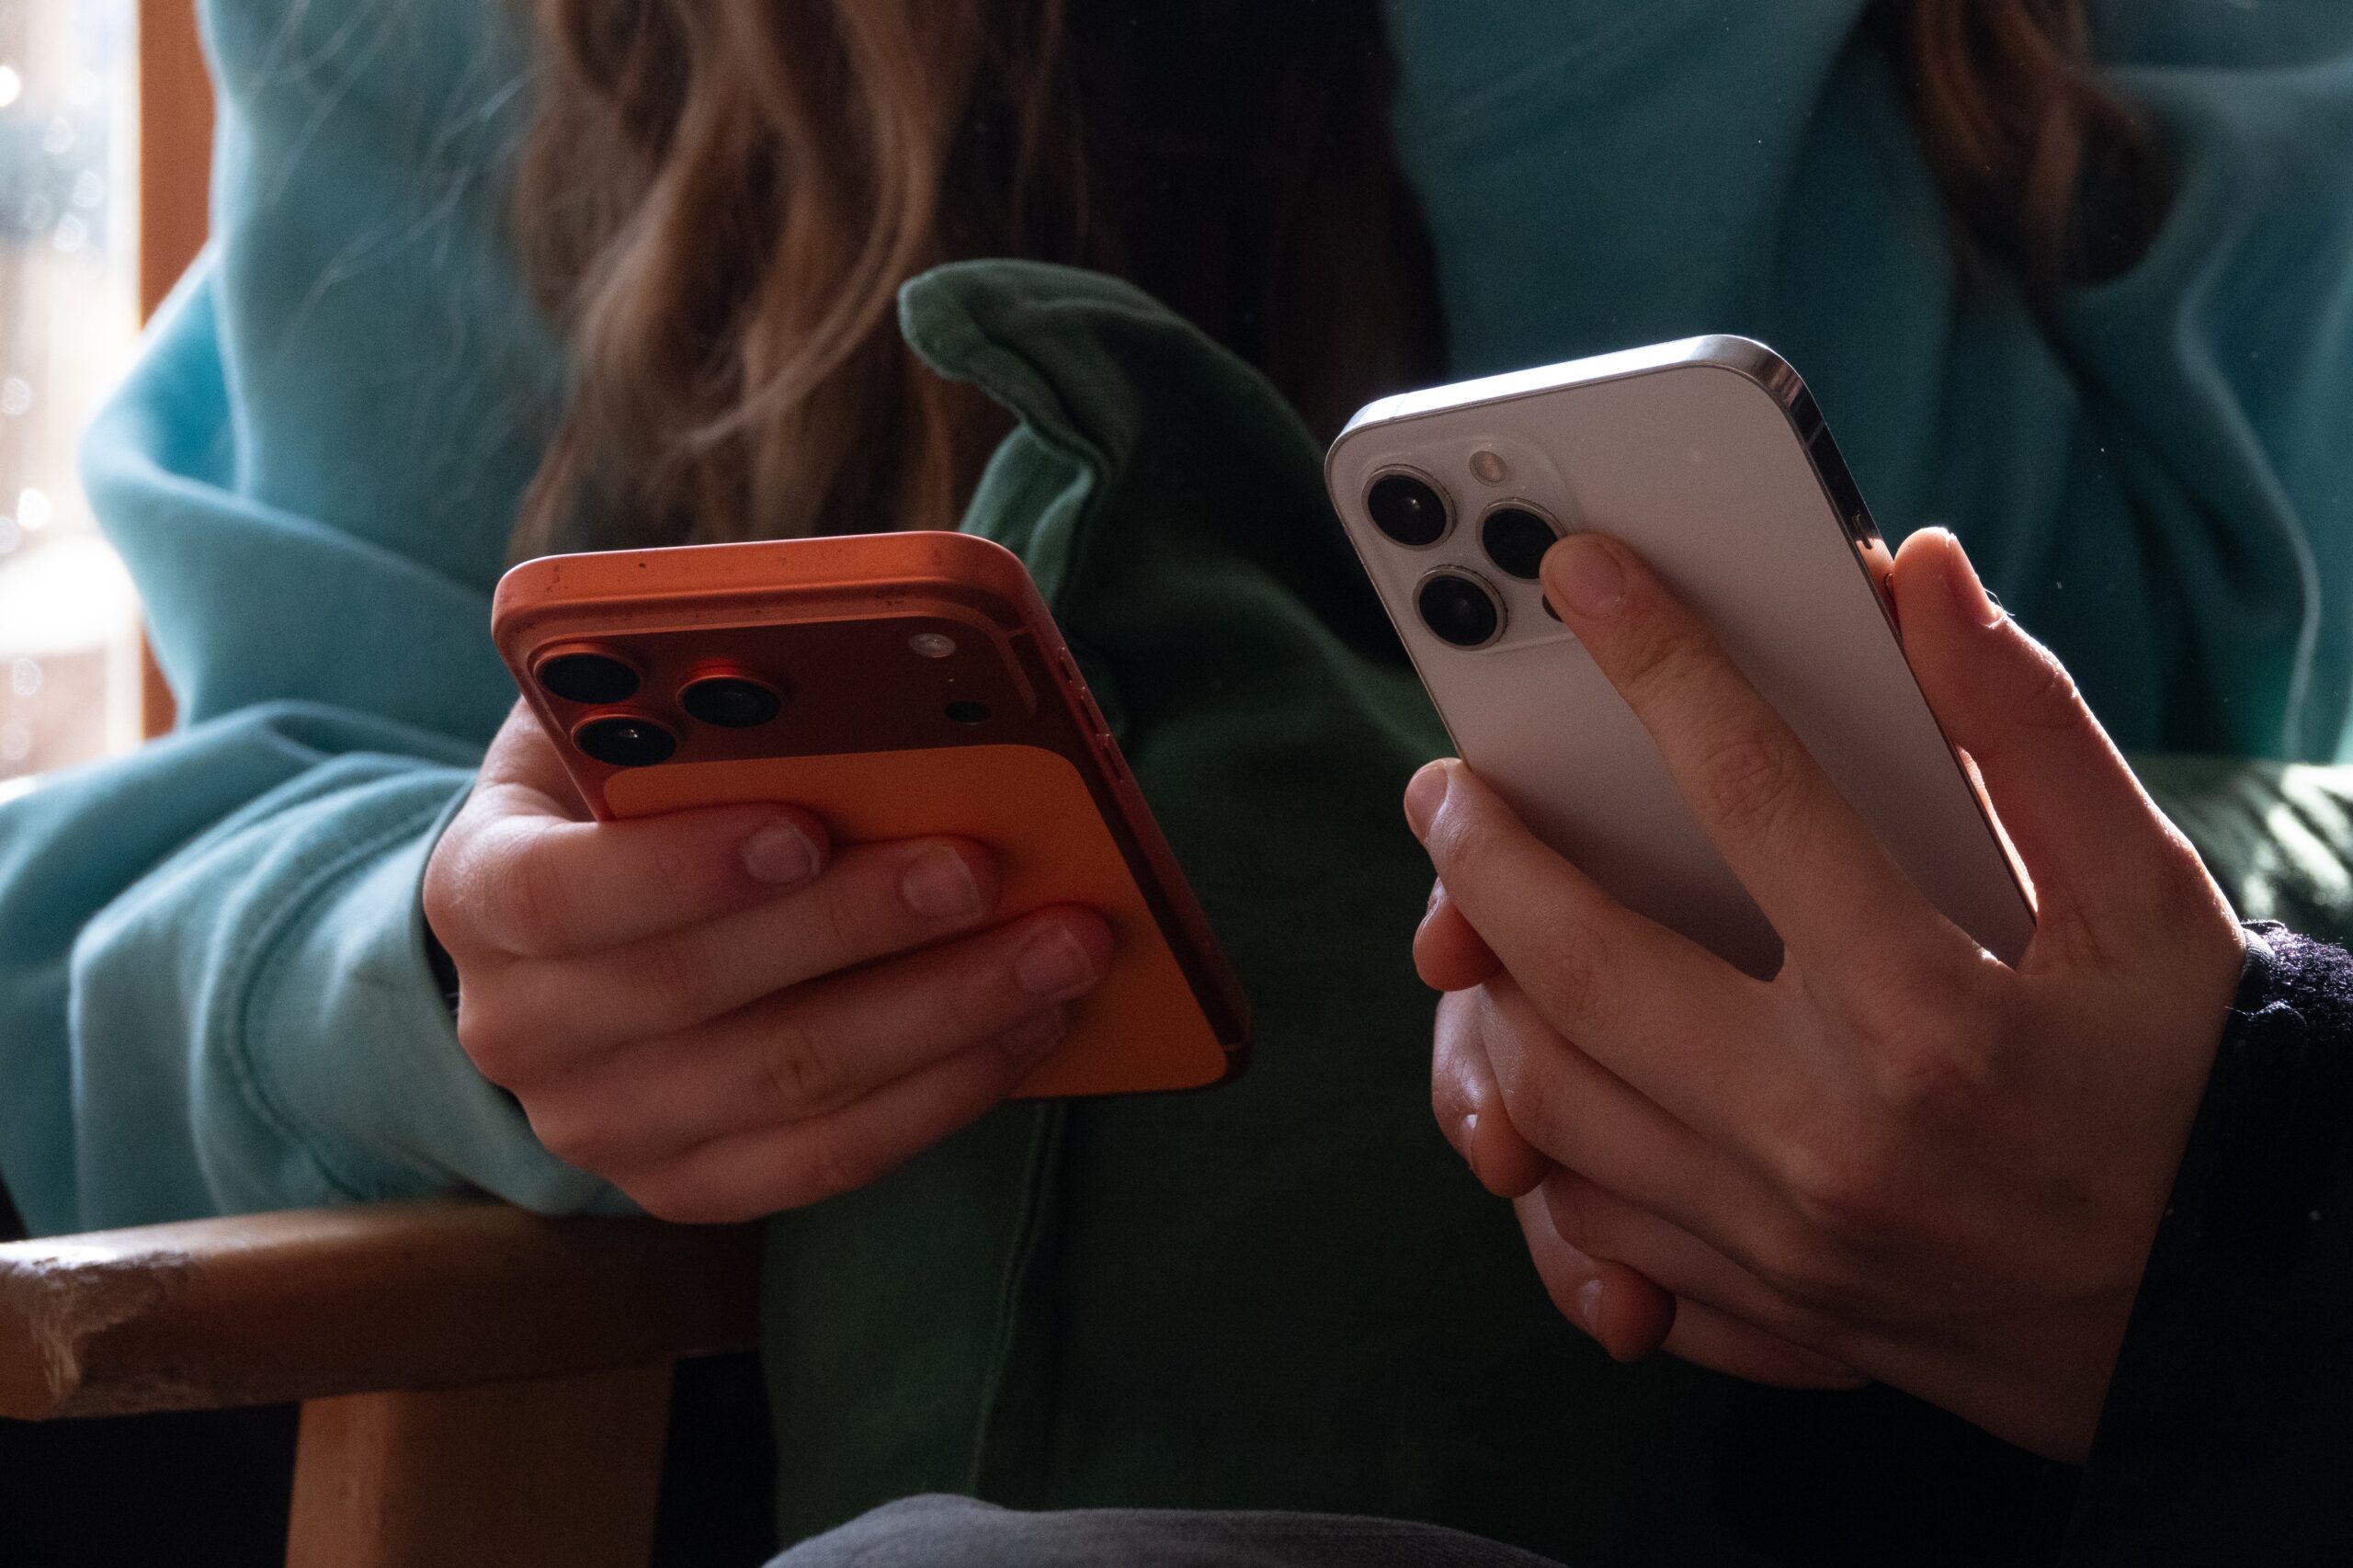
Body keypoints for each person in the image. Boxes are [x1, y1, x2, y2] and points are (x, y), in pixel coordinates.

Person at [2, 0, 2350, 1562]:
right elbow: (133, 934)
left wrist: (2207, 1153)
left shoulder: (2130, 71)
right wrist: (431, 954)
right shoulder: (507, 50)